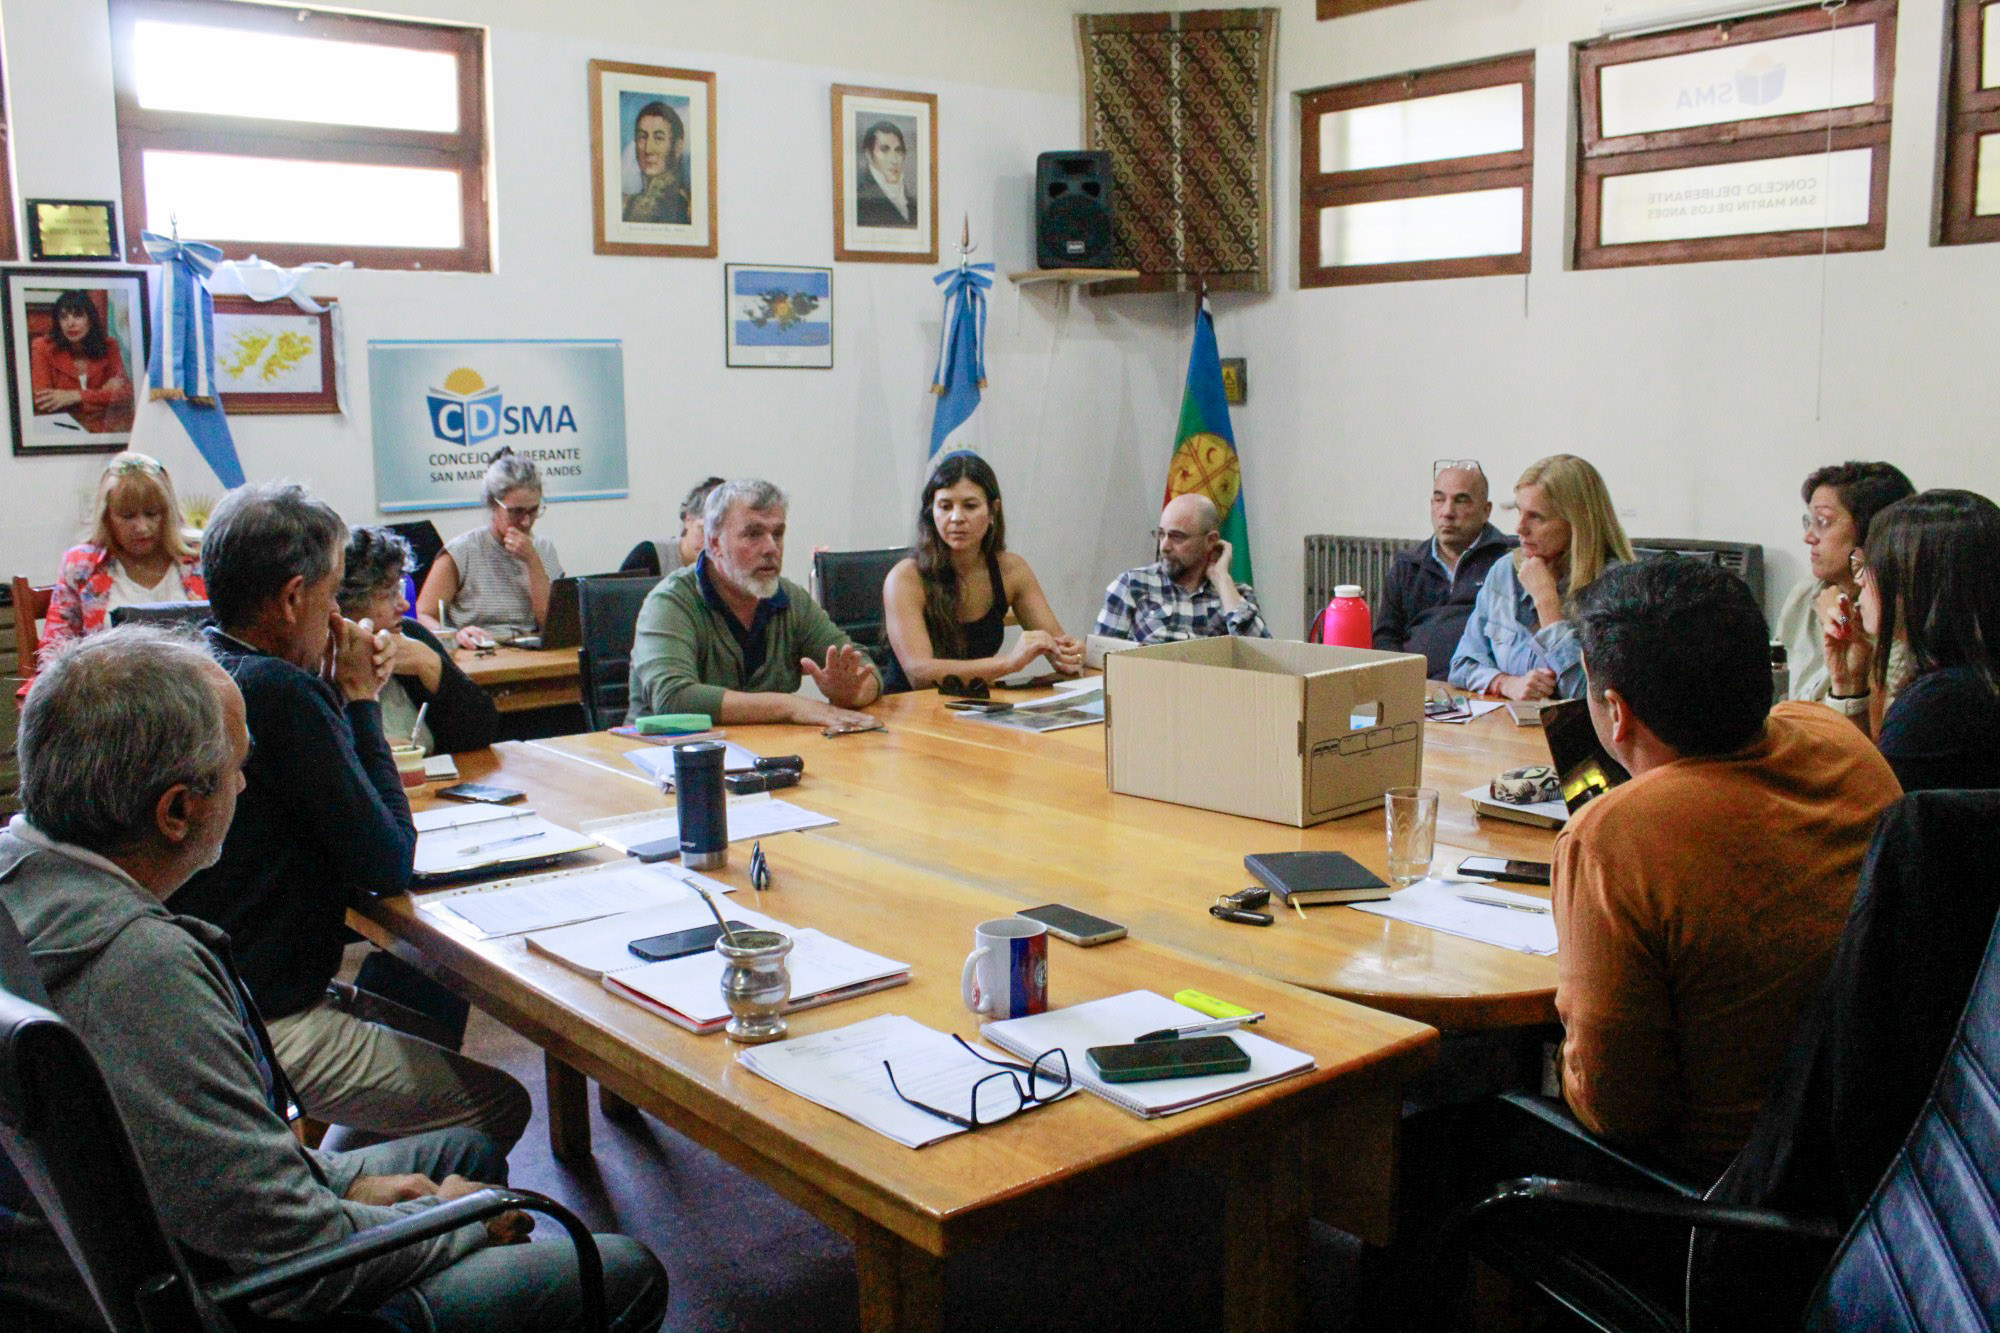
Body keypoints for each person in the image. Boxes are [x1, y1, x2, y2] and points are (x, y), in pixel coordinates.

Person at [0, 628, 667, 1332]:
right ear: (176, 811)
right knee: (622, 1269)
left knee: (465, 1149)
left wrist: (357, 1190)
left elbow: (210, 1169)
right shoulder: (141, 971)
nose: (245, 784)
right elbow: (300, 1260)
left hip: (159, 1251)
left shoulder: (24, 882)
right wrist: (457, 1220)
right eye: (237, 768)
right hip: (246, 1299)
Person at [172, 482, 531, 1150]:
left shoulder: (204, 662)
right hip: (268, 1016)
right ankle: (357, 1201)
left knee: (428, 1016)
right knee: (499, 1106)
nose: (338, 613)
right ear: (292, 599)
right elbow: (388, 863)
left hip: (217, 995)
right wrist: (361, 699)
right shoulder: (282, 692)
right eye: (333, 593)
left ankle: (346, 1179)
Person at [1556, 558, 1901, 1176]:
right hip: (1875, 1146)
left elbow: (1619, 1109)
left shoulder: (1613, 837)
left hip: (1717, 1185)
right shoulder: (1836, 737)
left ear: (1616, 710)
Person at [626, 478, 881, 725]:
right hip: (660, 750)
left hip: (761, 749)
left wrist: (852, 692)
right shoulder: (670, 601)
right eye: (753, 534)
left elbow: (865, 669)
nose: (771, 548)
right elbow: (674, 698)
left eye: (778, 534)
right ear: (715, 544)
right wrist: (789, 706)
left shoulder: (790, 599)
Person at [1825, 489, 2000, 791]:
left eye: (1869, 565)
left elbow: (1862, 804)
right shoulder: (1969, 679)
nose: (1859, 580)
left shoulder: (1941, 701)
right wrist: (1848, 683)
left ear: (1919, 583)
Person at [886, 452, 1085, 688]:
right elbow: (919, 674)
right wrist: (1009, 663)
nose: (956, 518)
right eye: (945, 506)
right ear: (931, 511)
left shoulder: (1012, 570)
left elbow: (1059, 649)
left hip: (976, 703)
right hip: (909, 705)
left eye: (970, 506)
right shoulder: (905, 577)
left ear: (993, 511)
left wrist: (1072, 655)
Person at [1450, 454, 1633, 701]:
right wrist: (1505, 683)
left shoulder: (1619, 586)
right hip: (1506, 723)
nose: (1519, 528)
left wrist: (1547, 604)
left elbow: (1593, 698)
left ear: (1576, 524)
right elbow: (1462, 664)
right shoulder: (1505, 571)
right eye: (1519, 511)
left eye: (1536, 516)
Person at [31, 451, 207, 681]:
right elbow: (54, 657)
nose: (142, 527)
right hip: (107, 692)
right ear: (107, 517)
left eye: (152, 514)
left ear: (169, 513)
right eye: (127, 516)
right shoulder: (81, 566)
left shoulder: (202, 559)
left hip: (194, 689)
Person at [340, 525, 499, 756]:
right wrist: (372, 751)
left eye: (400, 589)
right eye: (389, 595)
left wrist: (430, 665)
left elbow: (482, 731)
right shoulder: (319, 658)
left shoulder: (411, 634)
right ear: (349, 603)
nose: (404, 605)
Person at [1771, 461, 1915, 702]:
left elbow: (1885, 713)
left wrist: (1845, 622)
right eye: (1809, 522)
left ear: (1872, 530)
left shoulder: (1897, 610)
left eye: (1823, 522)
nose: (1808, 537)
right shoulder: (1806, 591)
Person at [1372, 460, 1514, 679]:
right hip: (1417, 687)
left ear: (1486, 511)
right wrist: (1402, 681)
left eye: (1461, 500)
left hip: (1485, 687)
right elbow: (1386, 638)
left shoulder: (1507, 562)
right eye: (1439, 500)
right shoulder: (1407, 566)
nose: (1447, 512)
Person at [417, 450, 565, 648]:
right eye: (516, 512)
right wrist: (456, 635)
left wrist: (532, 561)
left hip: (530, 648)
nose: (526, 521)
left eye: (533, 510)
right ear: (493, 505)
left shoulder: (544, 549)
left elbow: (554, 626)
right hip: (477, 649)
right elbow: (422, 615)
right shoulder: (462, 551)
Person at [1092, 491, 1268, 647]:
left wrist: (1222, 579)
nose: (1164, 547)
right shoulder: (1132, 585)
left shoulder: (1237, 596)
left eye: (1177, 537)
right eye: (1161, 534)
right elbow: (1100, 659)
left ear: (1210, 541)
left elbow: (1262, 658)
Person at [29, 288, 133, 433]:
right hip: (61, 430)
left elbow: (126, 394)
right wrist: (102, 394)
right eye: (63, 317)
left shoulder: (109, 346)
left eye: (77, 315)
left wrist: (74, 396)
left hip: (102, 430)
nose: (70, 323)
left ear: (90, 319)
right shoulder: (42, 347)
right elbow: (43, 402)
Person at [620, 475, 725, 579]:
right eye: (703, 530)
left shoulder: (730, 566)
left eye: (721, 535)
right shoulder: (649, 556)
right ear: (687, 519)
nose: (709, 544)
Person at [621, 99, 690, 225]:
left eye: (659, 138)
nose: (648, 149)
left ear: (677, 148)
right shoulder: (627, 204)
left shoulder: (681, 207)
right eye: (642, 137)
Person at [855, 120, 916, 227]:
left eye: (898, 150)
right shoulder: (860, 201)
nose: (894, 160)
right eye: (884, 150)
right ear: (868, 155)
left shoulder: (912, 203)